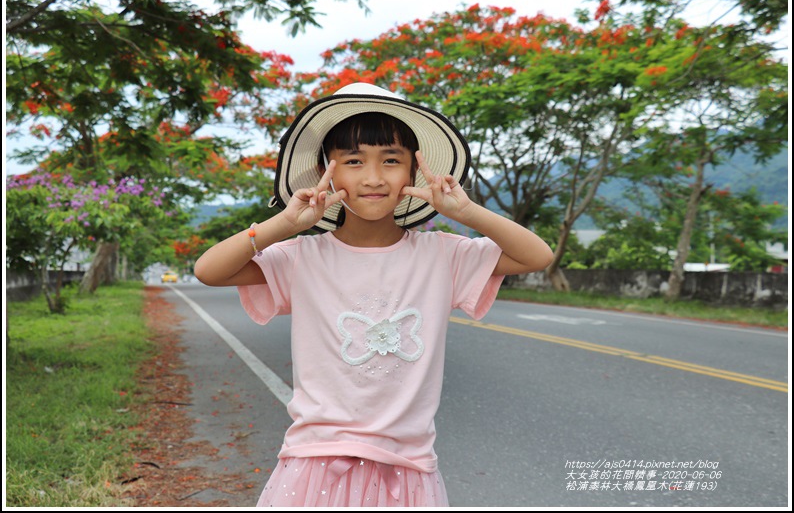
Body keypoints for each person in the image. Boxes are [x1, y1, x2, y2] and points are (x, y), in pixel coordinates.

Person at [194, 82, 553, 507]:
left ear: (413, 173)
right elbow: (209, 270)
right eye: (353, 160)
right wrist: (284, 225)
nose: (373, 177)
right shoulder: (303, 256)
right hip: (315, 463)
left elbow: (537, 255)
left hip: (408, 468)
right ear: (328, 172)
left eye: (391, 160)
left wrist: (466, 212)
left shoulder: (442, 254)